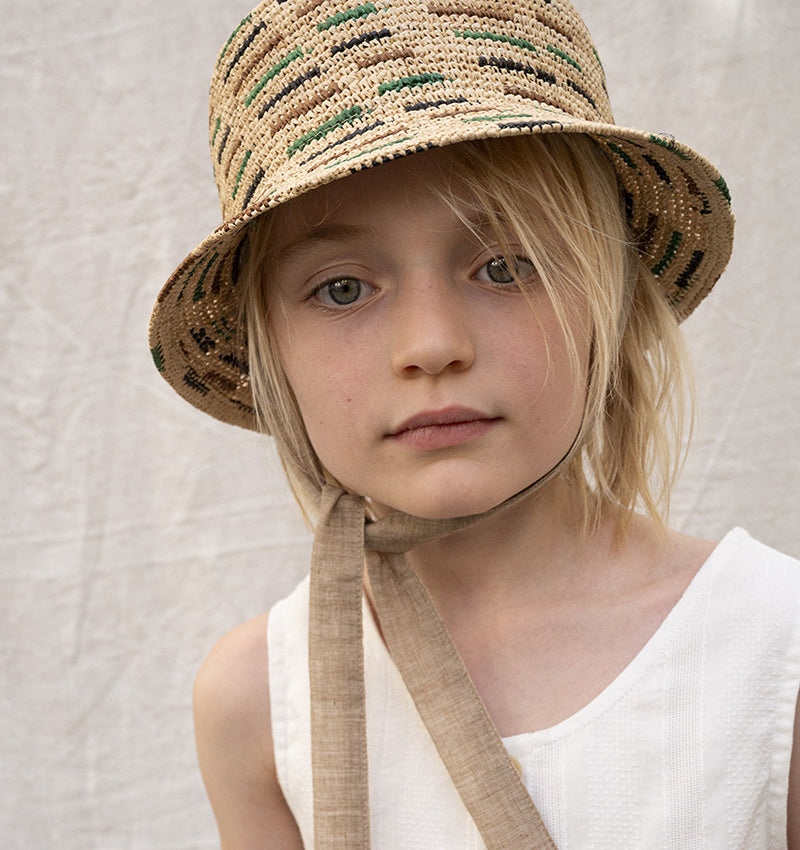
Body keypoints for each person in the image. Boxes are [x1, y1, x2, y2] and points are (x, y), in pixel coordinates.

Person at [149, 0, 800, 847]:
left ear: (610, 306)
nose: (432, 345)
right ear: (270, 349)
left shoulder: (775, 654)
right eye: (342, 288)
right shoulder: (255, 701)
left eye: (505, 265)